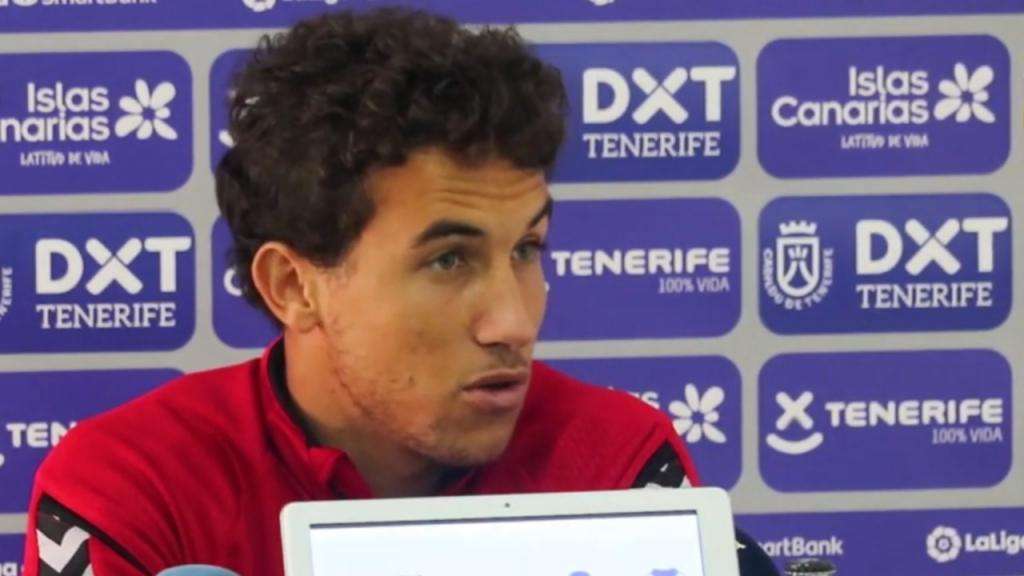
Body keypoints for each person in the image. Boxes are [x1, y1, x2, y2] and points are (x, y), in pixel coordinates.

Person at [23, 8, 714, 575]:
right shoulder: (133, 487)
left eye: (526, 249)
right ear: (294, 287)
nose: (514, 322)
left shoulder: (619, 462)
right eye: (449, 260)